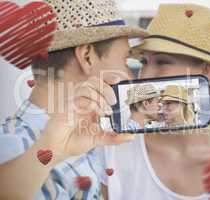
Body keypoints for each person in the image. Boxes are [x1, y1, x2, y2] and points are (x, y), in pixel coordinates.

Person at [99, 4, 210, 200]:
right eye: (144, 62)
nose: (145, 75)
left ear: (207, 70)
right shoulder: (114, 150)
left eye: (162, 62)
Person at [0, 0, 146, 199]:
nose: (130, 76)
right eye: (125, 61)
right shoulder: (12, 146)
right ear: (87, 57)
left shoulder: (85, 139)